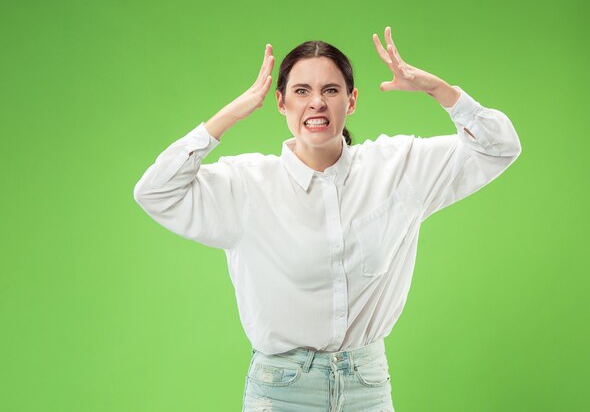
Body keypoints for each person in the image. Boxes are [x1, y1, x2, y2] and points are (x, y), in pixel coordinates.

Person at [133, 26, 522, 412]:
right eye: (302, 91)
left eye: (330, 91)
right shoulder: (246, 185)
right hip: (282, 391)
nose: (316, 102)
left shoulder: (399, 167)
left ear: (351, 101)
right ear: (281, 103)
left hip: (366, 387)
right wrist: (229, 115)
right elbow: (155, 191)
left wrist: (440, 90)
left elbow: (499, 148)